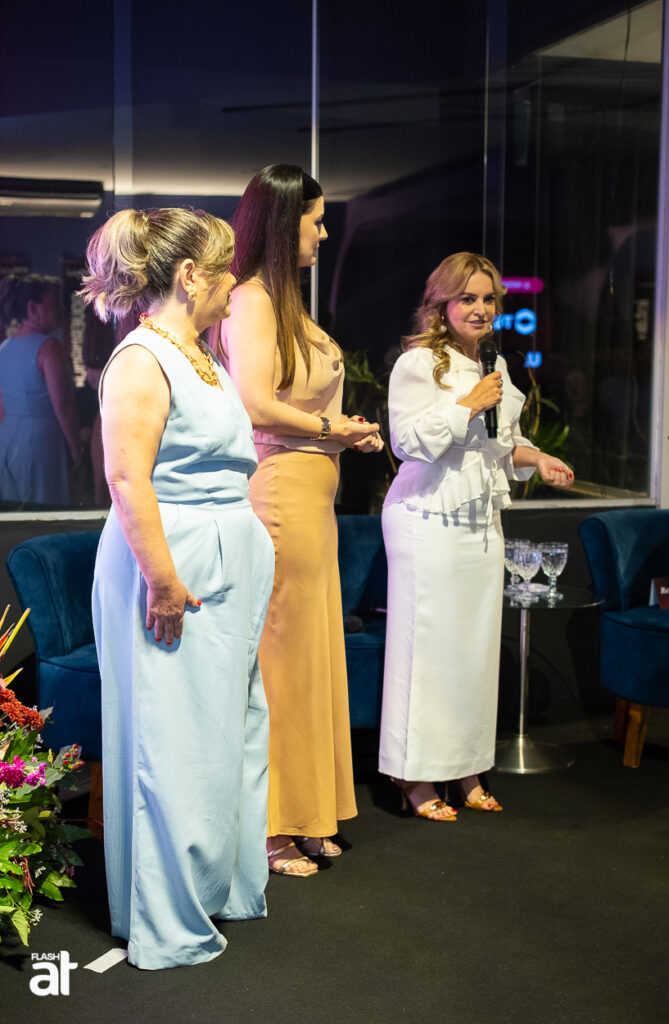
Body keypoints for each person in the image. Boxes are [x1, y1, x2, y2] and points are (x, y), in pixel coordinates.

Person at [80, 207, 275, 969]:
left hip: (223, 559)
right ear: (191, 276)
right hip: (174, 564)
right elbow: (128, 477)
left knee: (227, 729)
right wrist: (162, 581)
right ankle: (167, 917)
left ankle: (217, 885)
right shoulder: (141, 359)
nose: (235, 283)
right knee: (175, 739)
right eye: (226, 270)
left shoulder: (200, 353)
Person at [212, 164, 383, 877]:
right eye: (315, 220)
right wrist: (335, 429)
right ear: (287, 225)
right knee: (282, 659)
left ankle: (308, 812)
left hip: (314, 497)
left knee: (312, 656)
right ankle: (273, 823)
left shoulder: (287, 304)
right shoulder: (250, 300)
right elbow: (256, 405)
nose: (324, 232)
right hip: (280, 493)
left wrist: (343, 435)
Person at [379, 253, 573, 819]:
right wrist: (467, 405)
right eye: (468, 298)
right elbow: (406, 443)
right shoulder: (419, 363)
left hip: (481, 517)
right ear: (442, 303)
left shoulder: (496, 365)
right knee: (428, 647)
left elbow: (499, 446)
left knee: (474, 649)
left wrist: (539, 458)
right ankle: (414, 774)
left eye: (489, 299)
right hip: (426, 516)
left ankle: (465, 766)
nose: (481, 309)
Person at [0, 273, 83, 506]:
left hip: (7, 437)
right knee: (44, 506)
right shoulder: (48, 347)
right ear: (33, 308)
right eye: (54, 303)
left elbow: (2, 407)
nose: (60, 310)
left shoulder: (4, 348)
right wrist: (76, 450)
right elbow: (63, 404)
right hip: (40, 440)